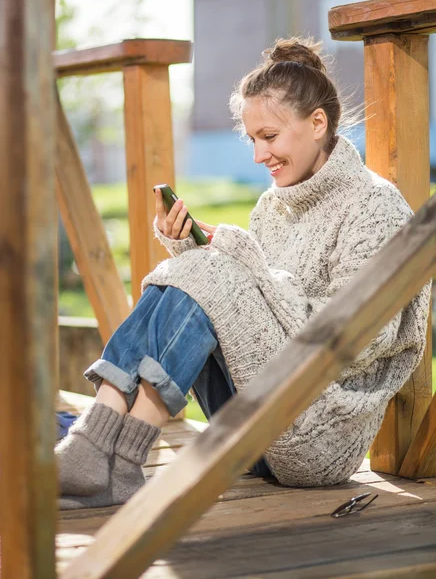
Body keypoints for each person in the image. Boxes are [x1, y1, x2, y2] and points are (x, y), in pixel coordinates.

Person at [57, 37, 430, 510]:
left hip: (319, 441)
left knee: (209, 270)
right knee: (195, 265)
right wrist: (192, 251)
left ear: (318, 123)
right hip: (246, 429)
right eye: (251, 139)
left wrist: (242, 264)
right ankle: (110, 456)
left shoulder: (375, 207)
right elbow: (249, 314)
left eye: (269, 137)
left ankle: (101, 451)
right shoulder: (271, 208)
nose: (258, 155)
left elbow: (360, 342)